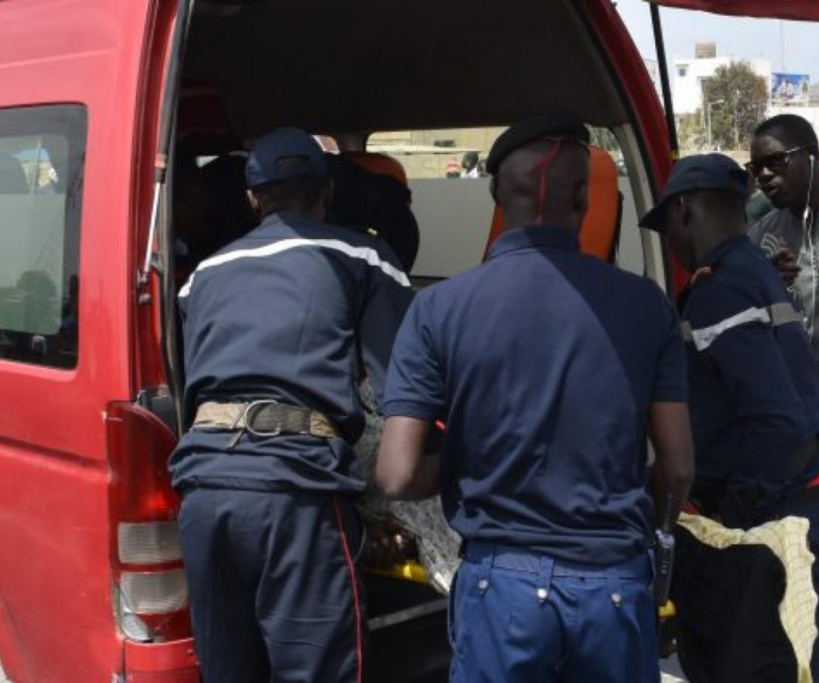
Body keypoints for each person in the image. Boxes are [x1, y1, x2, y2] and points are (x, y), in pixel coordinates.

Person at [376, 114, 694, 682]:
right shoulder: (646, 307)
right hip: (614, 585)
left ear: (497, 193)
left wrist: (466, 463)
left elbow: (397, 476)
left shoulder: (438, 309)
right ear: (584, 199)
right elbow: (677, 467)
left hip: (503, 590)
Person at [169, 127, 414, 682]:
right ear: (326, 192)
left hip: (205, 490)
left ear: (253, 199)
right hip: (296, 491)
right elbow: (406, 386)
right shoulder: (362, 255)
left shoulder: (201, 278)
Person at [639, 153, 819, 676]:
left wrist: (735, 515)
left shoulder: (719, 288)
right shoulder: (754, 272)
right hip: (794, 498)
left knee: (739, 660)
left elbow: (775, 417)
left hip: (763, 514)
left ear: (685, 212)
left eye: (667, 223)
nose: (669, 241)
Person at [747, 115, 819, 366]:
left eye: (775, 160)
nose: (763, 175)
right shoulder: (761, 236)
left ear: (812, 155)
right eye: (756, 168)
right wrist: (766, 284)